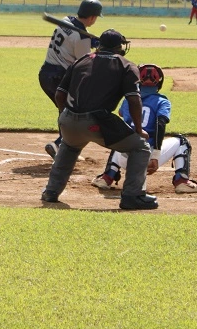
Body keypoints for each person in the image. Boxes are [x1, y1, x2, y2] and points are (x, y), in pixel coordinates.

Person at [41, 29, 158, 210]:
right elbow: (134, 99)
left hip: (68, 120)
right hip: (97, 120)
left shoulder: (81, 60)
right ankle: (132, 196)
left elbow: (59, 94)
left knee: (69, 146)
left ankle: (51, 192)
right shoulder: (126, 65)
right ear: (119, 47)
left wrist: (65, 114)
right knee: (140, 147)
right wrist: (138, 128)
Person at [92, 63, 197, 194]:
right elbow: (160, 124)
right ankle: (181, 181)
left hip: (124, 158)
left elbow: (121, 114)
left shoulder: (129, 99)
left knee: (122, 136)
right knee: (182, 141)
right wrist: (156, 156)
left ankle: (107, 177)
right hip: (146, 157)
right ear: (159, 82)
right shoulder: (162, 101)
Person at [38, 0, 103, 159]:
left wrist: (92, 42)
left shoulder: (66, 21)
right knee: (75, 114)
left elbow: (74, 39)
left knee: (65, 112)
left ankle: (63, 147)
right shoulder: (82, 38)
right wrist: (99, 48)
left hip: (45, 74)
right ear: (93, 17)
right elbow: (84, 63)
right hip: (60, 78)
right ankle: (59, 145)